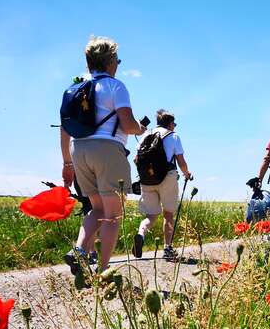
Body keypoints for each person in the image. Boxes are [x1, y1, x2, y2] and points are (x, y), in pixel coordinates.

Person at [61, 36, 146, 272]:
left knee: (96, 208)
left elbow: (65, 129)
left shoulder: (75, 88)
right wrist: (141, 128)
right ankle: (103, 270)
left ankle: (79, 250)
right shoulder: (115, 86)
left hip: (79, 150)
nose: (118, 64)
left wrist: (67, 163)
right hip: (108, 149)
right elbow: (127, 125)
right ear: (110, 61)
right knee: (112, 215)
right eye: (117, 60)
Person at [132, 110, 192, 261]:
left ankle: (141, 234)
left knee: (151, 215)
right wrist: (187, 174)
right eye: (174, 123)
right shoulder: (173, 136)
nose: (175, 126)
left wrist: (149, 172)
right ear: (170, 123)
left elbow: (136, 159)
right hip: (167, 177)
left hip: (147, 180)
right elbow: (181, 161)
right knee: (168, 214)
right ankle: (167, 248)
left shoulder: (146, 135)